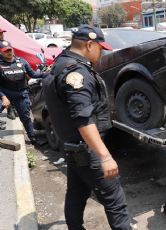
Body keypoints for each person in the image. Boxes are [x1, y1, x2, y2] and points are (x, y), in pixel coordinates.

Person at [43, 25, 131, 230]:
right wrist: (105, 156)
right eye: (100, 48)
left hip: (73, 147)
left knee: (76, 193)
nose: (101, 53)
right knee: (115, 201)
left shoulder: (61, 63)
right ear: (89, 45)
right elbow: (82, 119)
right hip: (87, 149)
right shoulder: (76, 74)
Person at [0, 41, 46, 143]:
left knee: (26, 117)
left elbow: (33, 74)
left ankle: (33, 138)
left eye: (10, 50)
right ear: (1, 52)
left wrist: (47, 74)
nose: (8, 52)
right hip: (5, 93)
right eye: (5, 51)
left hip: (20, 94)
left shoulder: (22, 61)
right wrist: (3, 97)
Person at [0, 28, 18, 120]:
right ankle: (10, 109)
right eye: (0, 34)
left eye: (2, 33)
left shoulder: (7, 43)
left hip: (9, 67)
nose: (2, 35)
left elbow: (13, 54)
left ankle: (12, 109)